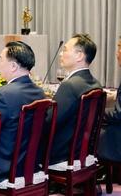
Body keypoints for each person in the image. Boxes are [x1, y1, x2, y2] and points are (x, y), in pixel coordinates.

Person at [0, 41, 45, 185]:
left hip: (3, 170)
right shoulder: (40, 93)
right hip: (31, 165)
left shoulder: (2, 95)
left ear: (13, 66)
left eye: (0, 59)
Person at [49, 33, 102, 165]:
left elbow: (50, 121)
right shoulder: (96, 83)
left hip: (61, 153)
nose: (61, 54)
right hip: (80, 150)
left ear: (79, 56)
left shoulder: (70, 85)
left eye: (65, 50)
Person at [98, 35, 121, 162]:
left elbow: (119, 114)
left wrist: (98, 113)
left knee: (87, 134)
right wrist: (115, 96)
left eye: (120, 47)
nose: (117, 52)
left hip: (119, 138)